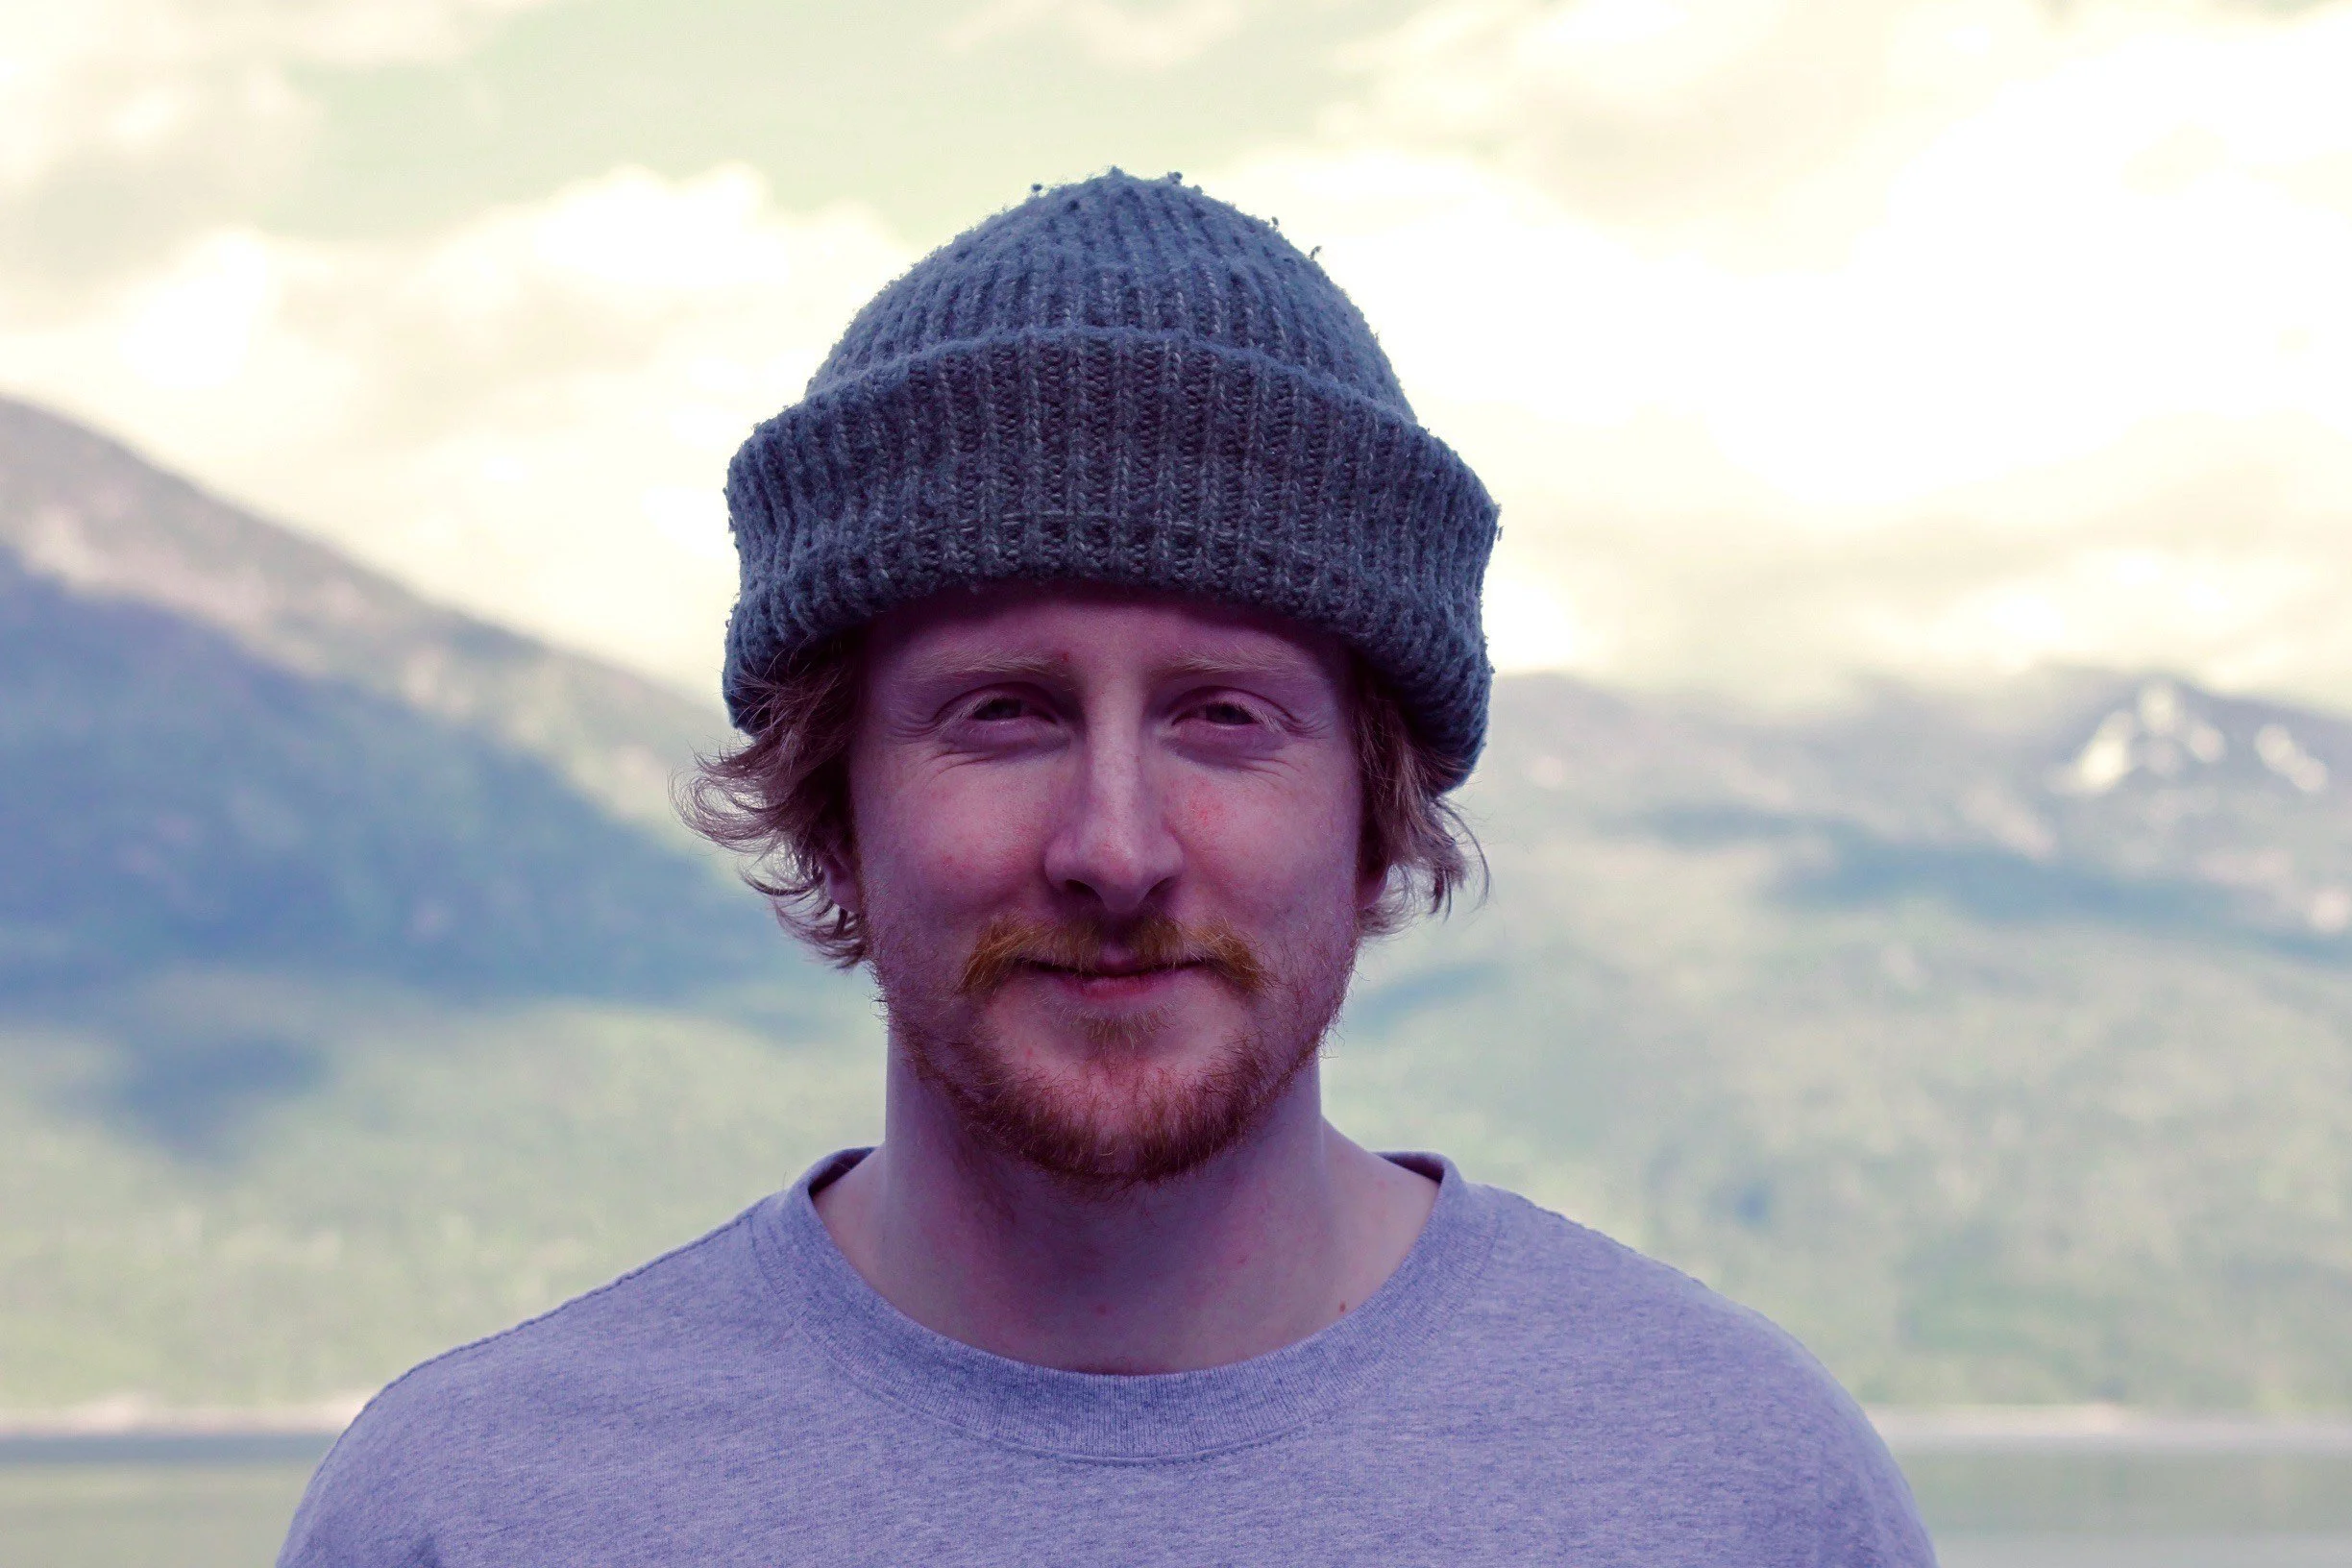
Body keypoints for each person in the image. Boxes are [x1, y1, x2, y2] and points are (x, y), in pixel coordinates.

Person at [280, 170, 1933, 1566]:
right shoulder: (474, 1513)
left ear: (1377, 810)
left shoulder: (1740, 1492)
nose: (1116, 850)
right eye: (1004, 713)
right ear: (832, 803)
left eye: (1225, 718)